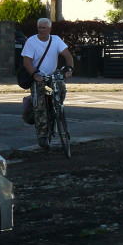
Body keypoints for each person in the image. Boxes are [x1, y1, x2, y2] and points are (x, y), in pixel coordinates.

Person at [21, 17, 73, 149]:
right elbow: (26, 61)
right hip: (38, 75)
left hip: (51, 74)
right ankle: (42, 135)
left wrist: (69, 70)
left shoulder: (55, 40)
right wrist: (35, 75)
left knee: (61, 88)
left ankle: (56, 110)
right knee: (40, 105)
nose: (42, 30)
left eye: (44, 28)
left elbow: (68, 55)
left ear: (50, 29)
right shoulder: (32, 41)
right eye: (40, 28)